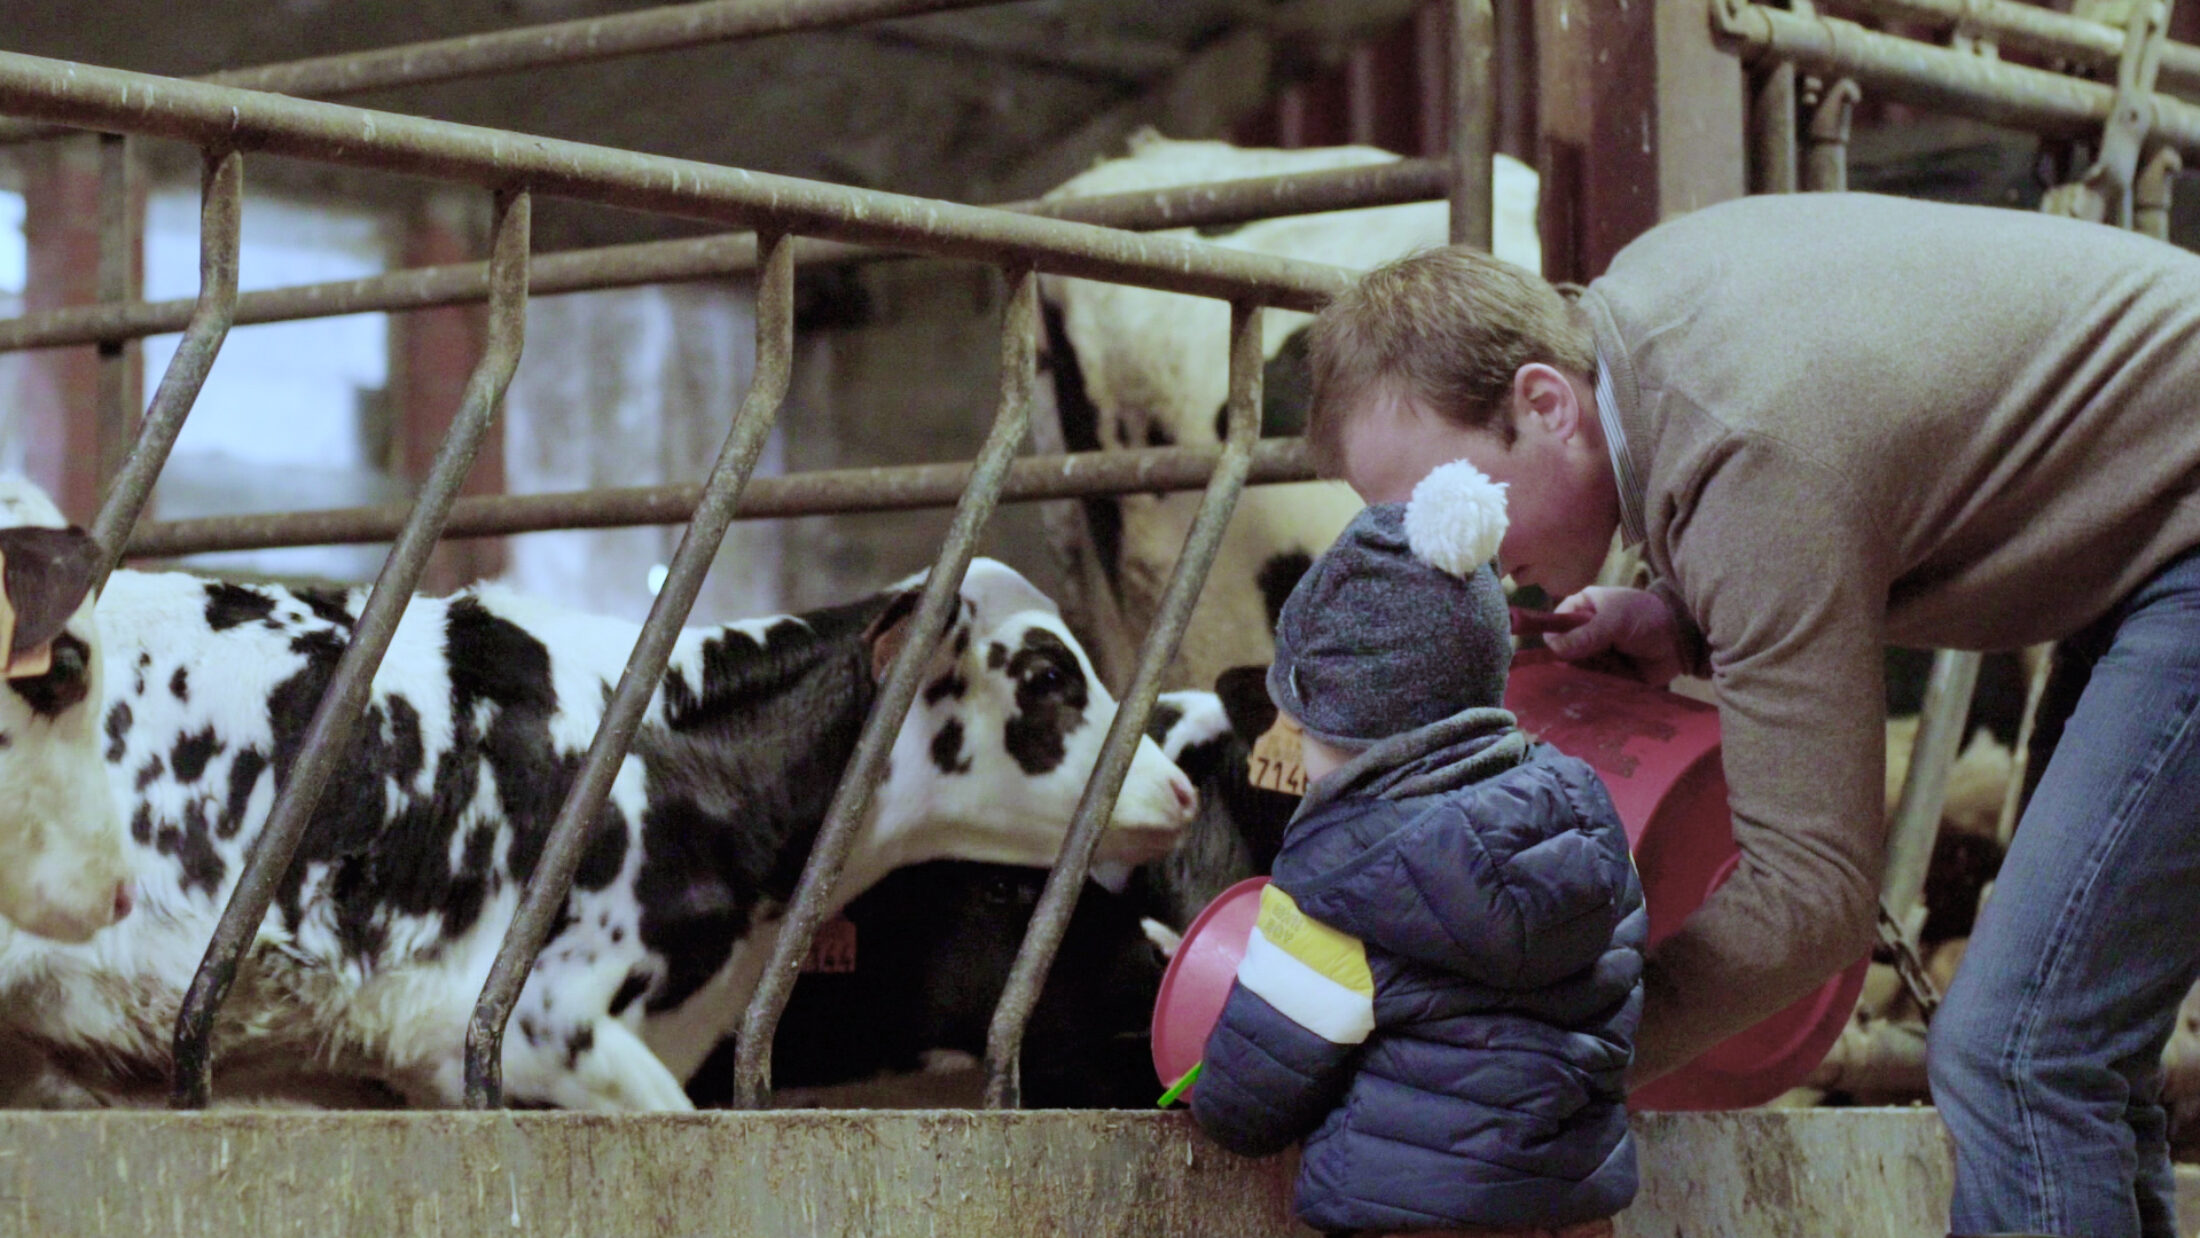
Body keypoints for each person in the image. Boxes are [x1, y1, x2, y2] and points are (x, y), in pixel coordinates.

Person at [1298, 189, 2200, 1238]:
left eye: (1448, 500)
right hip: (2151, 535)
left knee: (2017, 1049)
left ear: (1544, 403)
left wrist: (1542, 1063)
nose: (1457, 559)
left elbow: (1813, 898)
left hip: (2177, 540)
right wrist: (1685, 618)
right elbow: (1854, 459)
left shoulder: (1742, 448)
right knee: (2077, 1052)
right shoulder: (1644, 323)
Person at [1189, 469, 1646, 1238]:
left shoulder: (1338, 885)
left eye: (1300, 731)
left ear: (1337, 724)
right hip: (1575, 1214)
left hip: (1401, 1216)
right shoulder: (1593, 838)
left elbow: (1248, 1103)